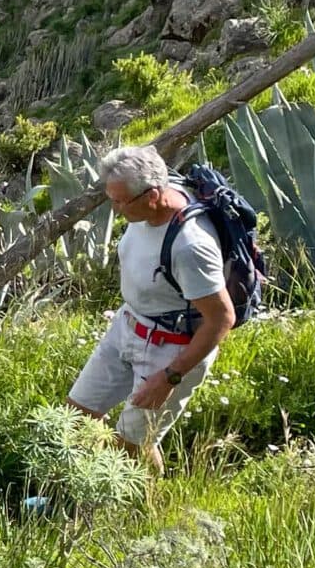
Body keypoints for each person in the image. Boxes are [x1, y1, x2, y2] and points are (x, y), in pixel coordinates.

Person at [67, 145, 238, 471]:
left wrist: (170, 377)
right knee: (77, 416)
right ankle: (94, 483)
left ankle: (145, 510)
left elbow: (221, 319)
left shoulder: (190, 247)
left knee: (132, 446)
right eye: (111, 199)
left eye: (119, 201)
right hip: (127, 326)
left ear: (153, 195)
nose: (115, 209)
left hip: (169, 349)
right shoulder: (150, 199)